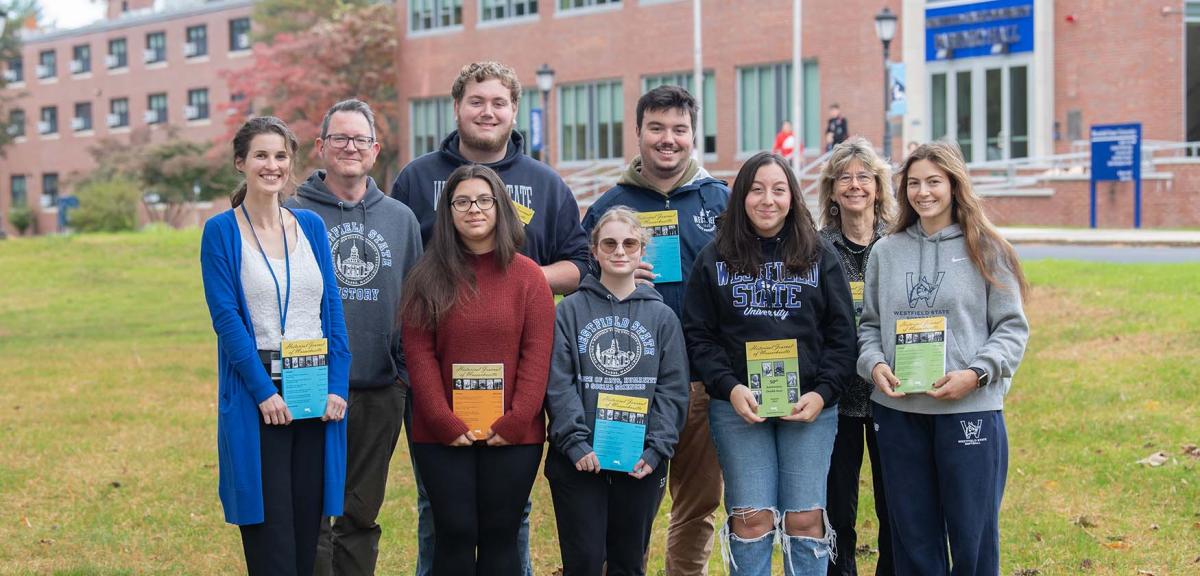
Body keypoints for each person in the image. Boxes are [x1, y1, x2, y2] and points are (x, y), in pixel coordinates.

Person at [391, 61, 589, 575]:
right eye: (476, 101)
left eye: (499, 102)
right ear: (456, 107)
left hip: (512, 417)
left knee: (508, 524)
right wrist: (440, 416)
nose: (487, 111)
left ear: (514, 110)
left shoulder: (544, 186)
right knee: (442, 520)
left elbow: (575, 274)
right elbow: (415, 335)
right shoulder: (415, 179)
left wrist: (515, 285)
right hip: (440, 413)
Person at [857, 140, 1029, 575]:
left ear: (954, 184)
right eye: (913, 183)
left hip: (968, 408)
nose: (923, 192)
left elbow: (1011, 329)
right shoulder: (885, 252)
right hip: (899, 412)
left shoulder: (987, 248)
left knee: (973, 537)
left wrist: (975, 374)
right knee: (912, 537)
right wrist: (874, 364)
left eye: (934, 181)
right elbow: (870, 326)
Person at [683, 152, 857, 575]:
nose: (768, 200)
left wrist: (823, 393)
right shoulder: (715, 258)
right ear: (741, 196)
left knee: (804, 518)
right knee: (751, 518)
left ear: (793, 197)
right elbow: (699, 335)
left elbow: (842, 334)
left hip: (810, 408)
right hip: (740, 408)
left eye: (779, 190)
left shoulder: (819, 254)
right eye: (757, 189)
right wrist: (728, 386)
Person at [581, 84, 729, 576]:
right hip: (628, 384)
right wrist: (614, 275)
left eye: (679, 130)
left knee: (698, 505)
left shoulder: (721, 203)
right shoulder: (609, 206)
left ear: (694, 135)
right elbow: (583, 294)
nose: (669, 139)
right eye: (657, 129)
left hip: (705, 382)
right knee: (627, 503)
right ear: (639, 133)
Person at [199, 116, 350, 575]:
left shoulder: (310, 226)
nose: (272, 165)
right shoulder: (221, 232)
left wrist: (337, 386)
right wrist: (264, 393)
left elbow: (333, 313)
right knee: (272, 539)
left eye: (281, 155)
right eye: (261, 155)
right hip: (257, 393)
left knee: (309, 532)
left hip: (312, 389)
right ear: (240, 163)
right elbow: (227, 322)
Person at [284, 99, 423, 576]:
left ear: (375, 150)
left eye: (359, 139)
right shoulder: (293, 214)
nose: (349, 147)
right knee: (314, 511)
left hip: (379, 388)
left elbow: (413, 304)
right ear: (321, 147)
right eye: (339, 138)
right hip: (310, 386)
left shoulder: (400, 220)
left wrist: (402, 378)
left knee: (361, 512)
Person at [401, 164, 555, 576]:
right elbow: (419, 356)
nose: (474, 209)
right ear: (447, 212)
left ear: (500, 207)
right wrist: (442, 421)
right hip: (441, 432)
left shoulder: (529, 278)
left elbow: (536, 354)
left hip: (514, 433)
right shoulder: (425, 277)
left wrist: (517, 420)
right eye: (462, 201)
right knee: (453, 531)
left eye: (484, 200)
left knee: (501, 534)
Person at [546, 206, 690, 576]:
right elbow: (558, 383)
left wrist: (656, 448)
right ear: (594, 251)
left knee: (628, 563)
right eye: (609, 243)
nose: (619, 251)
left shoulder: (662, 319)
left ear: (642, 250)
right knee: (585, 563)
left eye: (629, 243)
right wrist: (575, 443)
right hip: (580, 460)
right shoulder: (569, 311)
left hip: (638, 462)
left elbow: (672, 390)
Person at [816, 137, 898, 576]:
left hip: (893, 394)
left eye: (864, 177)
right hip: (835, 396)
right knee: (837, 505)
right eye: (844, 178)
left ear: (879, 188)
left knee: (894, 501)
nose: (854, 185)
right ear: (831, 190)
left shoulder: (900, 244)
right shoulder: (814, 247)